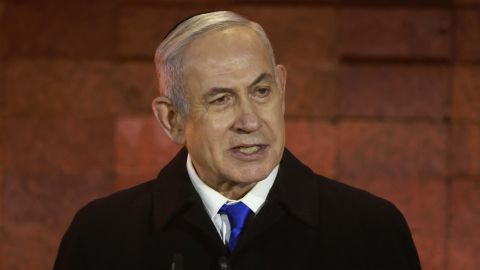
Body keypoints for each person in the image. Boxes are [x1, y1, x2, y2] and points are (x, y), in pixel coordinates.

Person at [54, 11, 421, 270]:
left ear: (282, 87)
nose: (249, 121)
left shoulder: (371, 230)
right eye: (221, 99)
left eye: (261, 91)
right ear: (172, 119)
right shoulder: (101, 235)